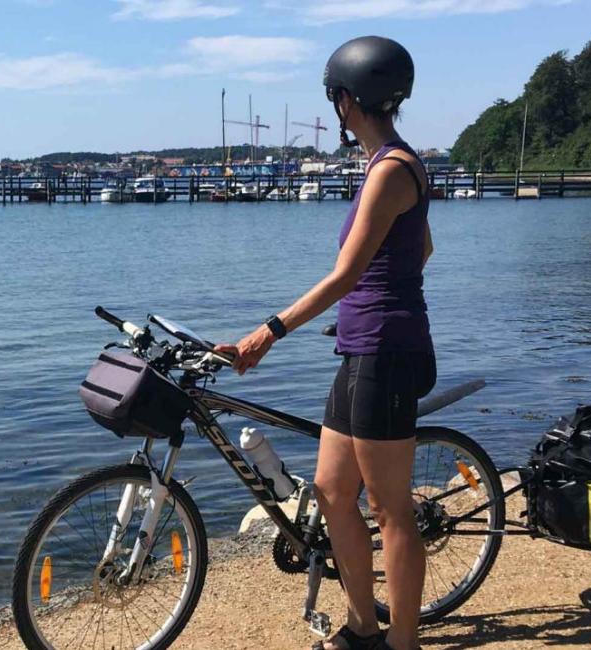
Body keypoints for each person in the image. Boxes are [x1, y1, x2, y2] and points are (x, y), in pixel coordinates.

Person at [215, 35, 434, 650]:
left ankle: (404, 644)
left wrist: (269, 331)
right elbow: (422, 249)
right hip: (364, 348)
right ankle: (364, 627)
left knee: (391, 509)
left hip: (385, 354)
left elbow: (345, 275)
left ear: (346, 100)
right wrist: (387, 292)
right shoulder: (389, 164)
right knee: (336, 493)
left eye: (335, 97)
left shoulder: (391, 168)